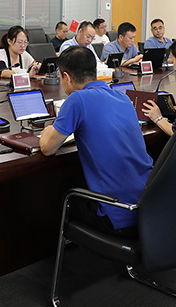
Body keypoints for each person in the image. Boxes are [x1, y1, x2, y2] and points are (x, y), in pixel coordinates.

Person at [39, 46, 153, 236]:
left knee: (66, 188)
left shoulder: (77, 99)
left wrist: (48, 130)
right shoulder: (122, 97)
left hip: (118, 215)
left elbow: (47, 148)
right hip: (149, 207)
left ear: (66, 77)